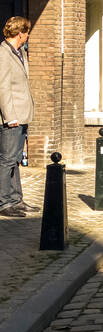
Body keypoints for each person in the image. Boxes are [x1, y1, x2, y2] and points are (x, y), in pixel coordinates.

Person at [0, 16, 38, 218]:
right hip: (12, 117)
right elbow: (3, 87)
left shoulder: (20, 51)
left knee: (15, 159)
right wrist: (10, 116)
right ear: (20, 33)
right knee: (7, 160)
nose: (28, 35)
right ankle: (5, 203)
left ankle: (17, 199)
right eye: (27, 31)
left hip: (23, 114)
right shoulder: (4, 54)